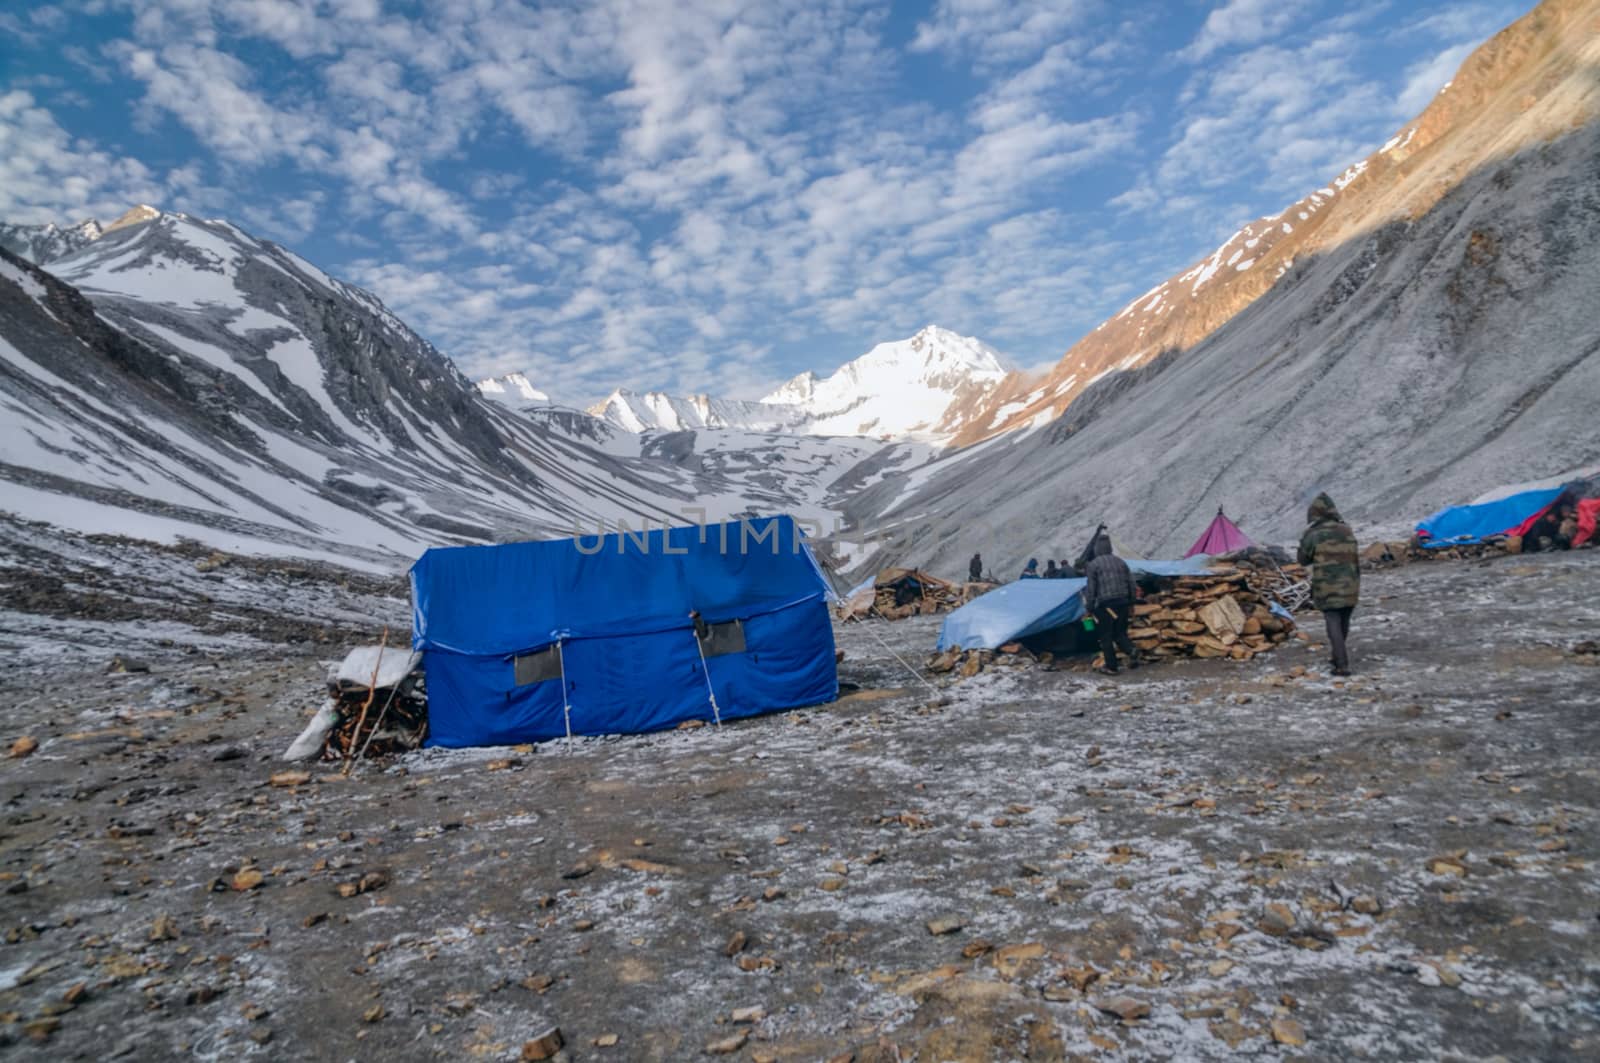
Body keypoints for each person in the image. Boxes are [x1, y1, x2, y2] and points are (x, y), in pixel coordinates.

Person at [1297, 492, 1360, 676]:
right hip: (1351, 583)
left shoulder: (1313, 533)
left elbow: (1302, 559)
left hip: (1327, 586)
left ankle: (1341, 664)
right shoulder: (1346, 529)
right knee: (1344, 620)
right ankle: (1336, 656)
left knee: (1332, 621)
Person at [1083, 537, 1139, 673]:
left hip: (1106, 605)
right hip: (1123, 603)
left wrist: (1089, 608)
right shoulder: (1121, 562)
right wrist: (1131, 602)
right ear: (1110, 548)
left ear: (1097, 550)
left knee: (1105, 636)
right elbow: (1132, 584)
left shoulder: (1094, 565)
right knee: (1120, 632)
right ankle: (1131, 650)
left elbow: (1091, 589)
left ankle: (1111, 666)